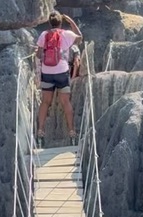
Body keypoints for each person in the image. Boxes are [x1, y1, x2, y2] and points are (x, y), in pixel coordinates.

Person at [35, 11, 82, 148]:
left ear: (49, 23)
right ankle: (72, 134)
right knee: (66, 102)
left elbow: (38, 54)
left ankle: (40, 132)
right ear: (61, 22)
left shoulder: (44, 35)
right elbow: (80, 37)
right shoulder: (66, 34)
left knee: (45, 102)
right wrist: (71, 21)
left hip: (47, 72)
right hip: (62, 72)